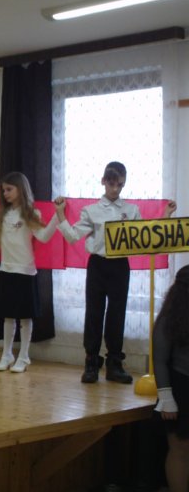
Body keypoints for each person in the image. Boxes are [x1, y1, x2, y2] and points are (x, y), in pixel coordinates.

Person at [54, 161, 177, 384]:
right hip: (97, 265)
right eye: (111, 184)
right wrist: (60, 213)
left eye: (120, 185)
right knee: (94, 313)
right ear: (103, 181)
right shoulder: (91, 211)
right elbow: (72, 236)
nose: (115, 189)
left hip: (120, 266)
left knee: (117, 314)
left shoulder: (131, 210)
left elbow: (146, 237)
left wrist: (166, 215)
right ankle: (91, 362)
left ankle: (114, 364)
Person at [0, 172, 58, 373]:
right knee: (7, 316)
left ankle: (24, 356)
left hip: (25, 271)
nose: (5, 193)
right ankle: (6, 354)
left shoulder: (32, 214)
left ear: (20, 189)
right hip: (6, 270)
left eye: (9, 189)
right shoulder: (3, 214)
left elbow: (43, 237)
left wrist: (57, 218)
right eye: (3, 190)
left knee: (25, 317)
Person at [153, 265, 189, 492]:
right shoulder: (170, 317)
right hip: (179, 386)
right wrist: (166, 398)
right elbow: (160, 359)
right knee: (180, 449)